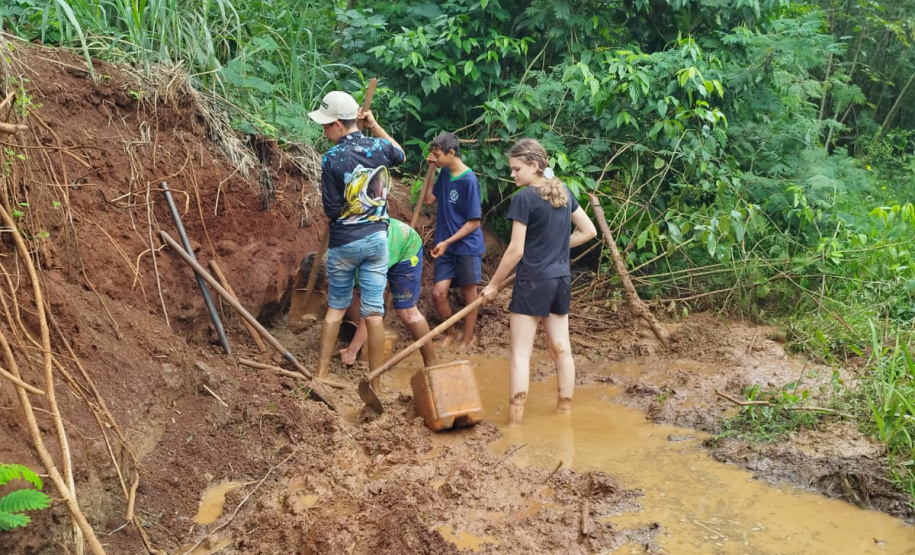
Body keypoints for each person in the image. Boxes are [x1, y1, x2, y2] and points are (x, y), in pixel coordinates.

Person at [481, 138, 597, 426]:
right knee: (561, 349)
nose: (512, 174)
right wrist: (555, 247)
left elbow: (516, 250)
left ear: (534, 165)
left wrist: (493, 285)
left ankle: (515, 423)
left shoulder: (524, 199)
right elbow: (589, 231)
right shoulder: (564, 193)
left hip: (532, 281)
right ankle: (564, 413)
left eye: (516, 168)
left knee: (521, 354)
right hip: (560, 280)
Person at [307, 90, 404, 379]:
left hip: (345, 243)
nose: (324, 131)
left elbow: (332, 210)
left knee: (336, 309)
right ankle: (375, 381)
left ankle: (321, 376)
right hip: (377, 241)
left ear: (339, 124)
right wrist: (374, 125)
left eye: (326, 125)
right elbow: (400, 154)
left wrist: (349, 210)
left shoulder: (332, 158)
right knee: (373, 314)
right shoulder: (378, 147)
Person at [338, 218, 437, 367]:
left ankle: (432, 363)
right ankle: (359, 337)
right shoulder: (335, 254)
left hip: (405, 246)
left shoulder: (365, 268)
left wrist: (351, 351)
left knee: (407, 311)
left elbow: (371, 311)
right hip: (381, 242)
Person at [423, 132, 485, 348]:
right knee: (439, 292)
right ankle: (450, 331)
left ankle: (466, 340)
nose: (435, 159)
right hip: (445, 246)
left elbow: (474, 222)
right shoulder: (445, 173)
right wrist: (431, 170)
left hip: (465, 245)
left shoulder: (469, 180)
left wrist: (448, 241)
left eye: (437, 155)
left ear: (451, 152)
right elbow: (429, 198)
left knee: (470, 294)